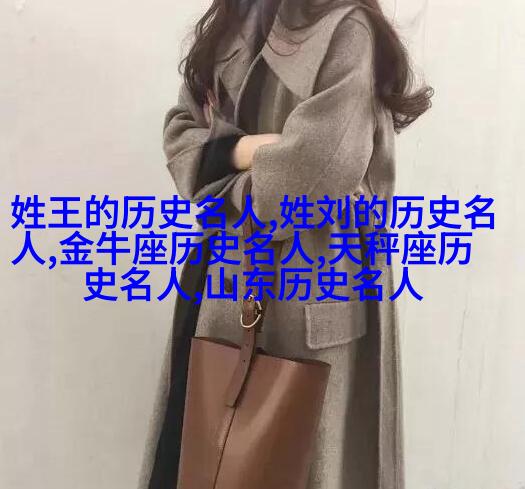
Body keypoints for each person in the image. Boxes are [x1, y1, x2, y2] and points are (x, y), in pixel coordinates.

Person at [138, 1, 433, 488]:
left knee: (304, 463)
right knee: (211, 457)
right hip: (227, 282)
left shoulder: (347, 27)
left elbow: (314, 171)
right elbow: (180, 137)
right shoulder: (232, 22)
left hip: (313, 282)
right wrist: (247, 149)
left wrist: (218, 178)